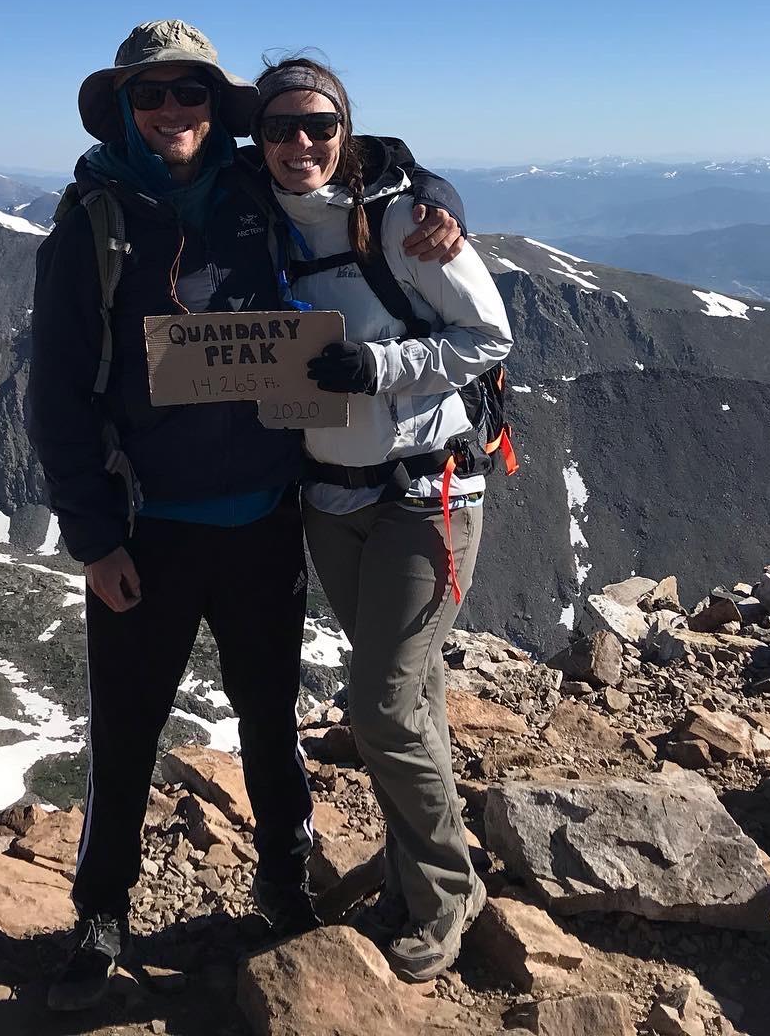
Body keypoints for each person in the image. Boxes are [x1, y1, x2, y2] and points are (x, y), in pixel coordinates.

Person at [26, 20, 466, 1012]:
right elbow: (56, 398)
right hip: (150, 529)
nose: (172, 111)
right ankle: (101, 912)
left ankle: (283, 879)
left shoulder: (254, 187)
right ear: (124, 111)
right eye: (150, 95)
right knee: (127, 726)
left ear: (212, 106)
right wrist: (95, 538)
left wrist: (441, 202)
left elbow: (365, 165)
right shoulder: (94, 224)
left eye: (190, 92)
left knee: (270, 717)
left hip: (267, 515)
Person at [251, 55, 513, 983]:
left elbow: (490, 337)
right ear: (257, 138)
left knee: (383, 708)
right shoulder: (253, 220)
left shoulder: (405, 219)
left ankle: (445, 894)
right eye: (279, 127)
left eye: (319, 126)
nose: (300, 143)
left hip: (426, 494)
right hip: (332, 498)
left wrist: (379, 368)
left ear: (345, 130)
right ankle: (411, 870)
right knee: (413, 698)